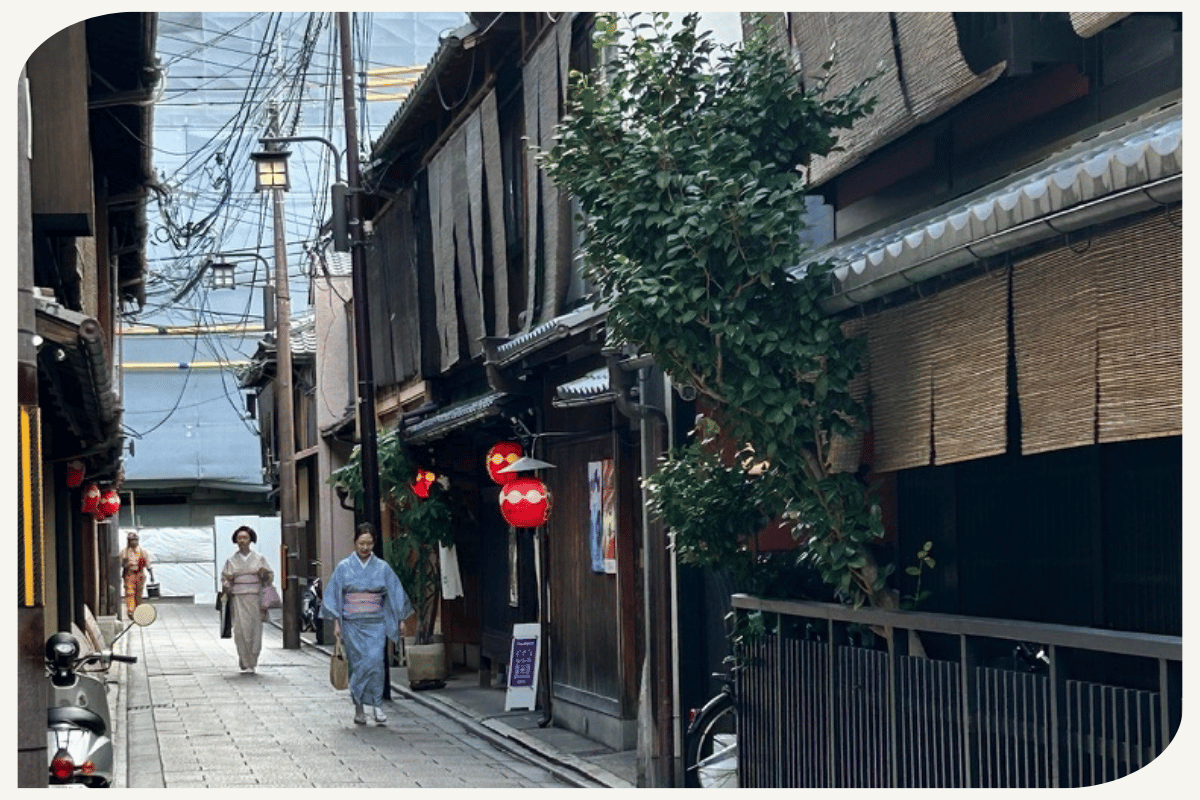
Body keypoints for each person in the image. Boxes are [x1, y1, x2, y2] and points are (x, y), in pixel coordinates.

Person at [322, 522, 414, 726]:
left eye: (369, 543)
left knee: (375, 662)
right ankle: (359, 707)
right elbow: (335, 595)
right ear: (355, 542)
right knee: (357, 664)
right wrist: (337, 622)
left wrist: (400, 619)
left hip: (376, 622)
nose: (365, 548)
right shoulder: (344, 567)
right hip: (352, 623)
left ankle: (377, 706)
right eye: (361, 543)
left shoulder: (382, 567)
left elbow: (394, 593)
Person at [220, 525, 274, 674]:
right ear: (235, 541)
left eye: (245, 538)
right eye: (239, 538)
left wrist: (265, 575)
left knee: (255, 630)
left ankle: (253, 659)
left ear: (251, 540)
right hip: (238, 598)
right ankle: (244, 659)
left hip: (255, 597)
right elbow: (225, 578)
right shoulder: (231, 561)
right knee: (240, 630)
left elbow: (269, 577)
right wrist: (226, 584)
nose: (242, 541)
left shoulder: (259, 559)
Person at [119, 531, 154, 618]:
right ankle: (131, 611)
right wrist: (125, 564)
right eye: (131, 540)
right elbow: (120, 563)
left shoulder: (142, 551)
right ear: (128, 541)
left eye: (135, 540)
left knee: (139, 593)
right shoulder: (124, 552)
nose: (134, 542)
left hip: (140, 574)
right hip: (129, 574)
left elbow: (148, 563)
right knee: (130, 593)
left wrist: (151, 575)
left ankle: (138, 610)